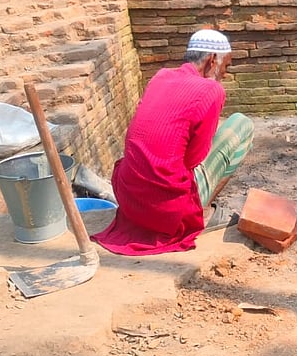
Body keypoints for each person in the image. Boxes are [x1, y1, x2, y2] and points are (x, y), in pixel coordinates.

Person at [93, 29, 253, 255]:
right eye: (226, 66)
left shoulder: (161, 76)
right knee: (242, 124)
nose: (225, 74)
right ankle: (204, 209)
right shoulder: (211, 90)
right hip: (166, 210)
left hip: (129, 198)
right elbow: (194, 159)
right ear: (212, 60)